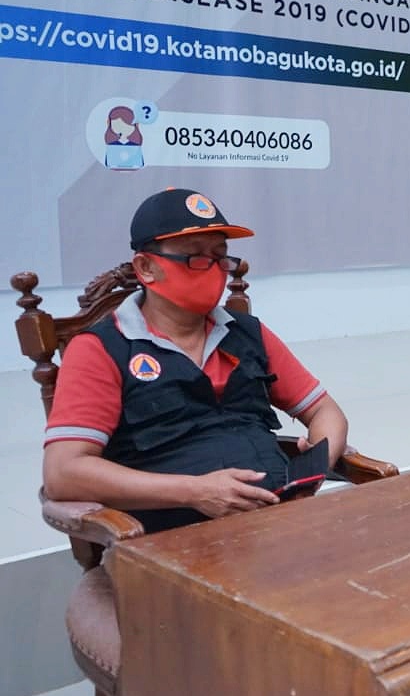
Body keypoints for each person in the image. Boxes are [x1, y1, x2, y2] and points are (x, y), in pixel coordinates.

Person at [42, 188, 349, 533]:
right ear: (146, 267)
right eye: (196, 258)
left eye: (221, 257)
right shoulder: (102, 349)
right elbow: (63, 473)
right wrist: (195, 492)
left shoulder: (247, 333)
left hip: (281, 523)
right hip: (174, 537)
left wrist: (315, 465)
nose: (215, 270)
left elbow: (326, 412)